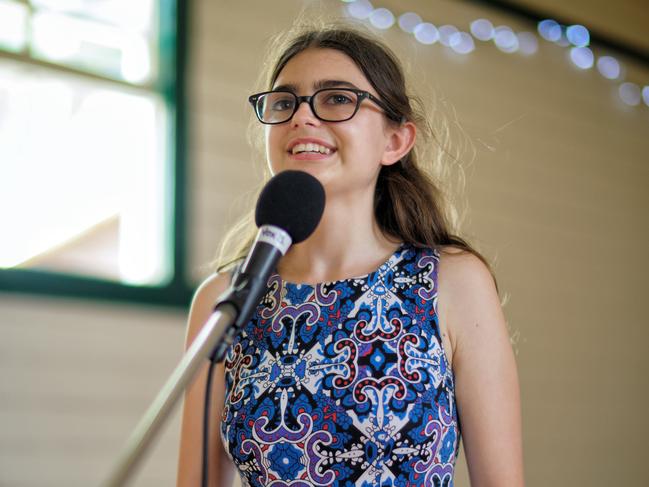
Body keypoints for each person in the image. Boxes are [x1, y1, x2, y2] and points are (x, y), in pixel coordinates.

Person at [177, 25, 523, 487]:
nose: (301, 117)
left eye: (337, 98)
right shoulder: (225, 299)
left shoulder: (452, 282)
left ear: (394, 141)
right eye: (284, 103)